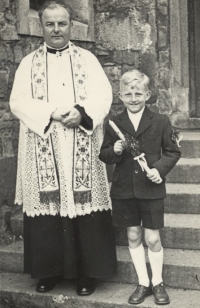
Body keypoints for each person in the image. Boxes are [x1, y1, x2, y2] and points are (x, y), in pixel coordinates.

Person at [9, 0, 117, 295]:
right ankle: (48, 272)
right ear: (40, 26)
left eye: (62, 23)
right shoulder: (28, 63)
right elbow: (17, 102)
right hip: (44, 144)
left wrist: (82, 113)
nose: (56, 29)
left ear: (71, 25)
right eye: (50, 24)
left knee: (83, 202)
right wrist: (52, 113)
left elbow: (103, 95)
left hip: (80, 143)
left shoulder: (88, 59)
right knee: (48, 203)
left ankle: (87, 274)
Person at [99, 69, 181, 305]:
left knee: (153, 238)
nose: (133, 98)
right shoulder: (114, 122)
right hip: (124, 190)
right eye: (128, 94)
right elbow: (104, 154)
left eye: (138, 93)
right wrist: (113, 150)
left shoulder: (161, 121)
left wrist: (159, 170)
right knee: (133, 235)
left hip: (151, 189)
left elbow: (173, 151)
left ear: (148, 94)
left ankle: (158, 282)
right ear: (120, 96)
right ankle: (143, 282)